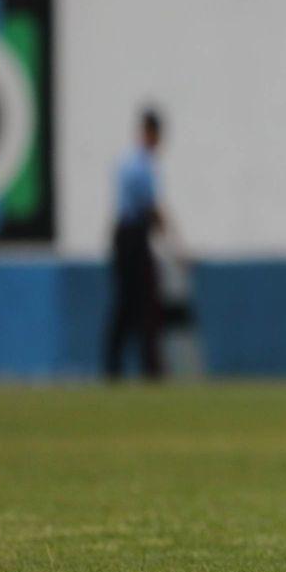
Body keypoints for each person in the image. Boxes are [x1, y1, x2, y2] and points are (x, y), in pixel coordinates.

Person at [104, 108, 173, 380]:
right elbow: (150, 207)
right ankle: (148, 368)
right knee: (142, 303)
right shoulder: (139, 165)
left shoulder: (128, 162)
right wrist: (171, 238)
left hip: (127, 235)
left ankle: (117, 366)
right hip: (132, 236)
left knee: (129, 304)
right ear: (150, 133)